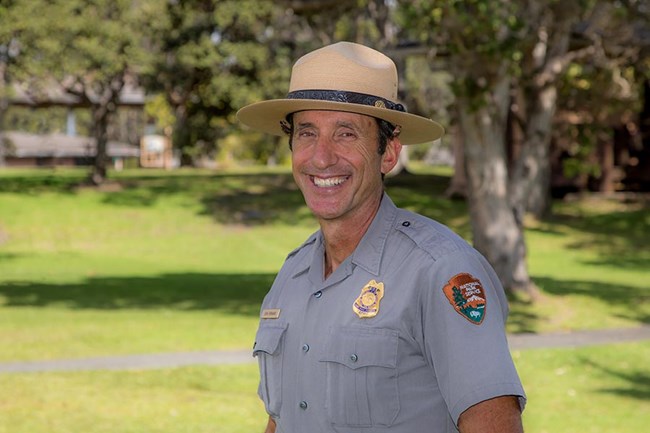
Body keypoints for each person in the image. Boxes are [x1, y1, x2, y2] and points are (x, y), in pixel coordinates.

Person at [237, 41, 526, 433]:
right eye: (307, 133)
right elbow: (282, 418)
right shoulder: (292, 276)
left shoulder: (439, 270)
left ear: (388, 153)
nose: (321, 157)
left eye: (345, 134)